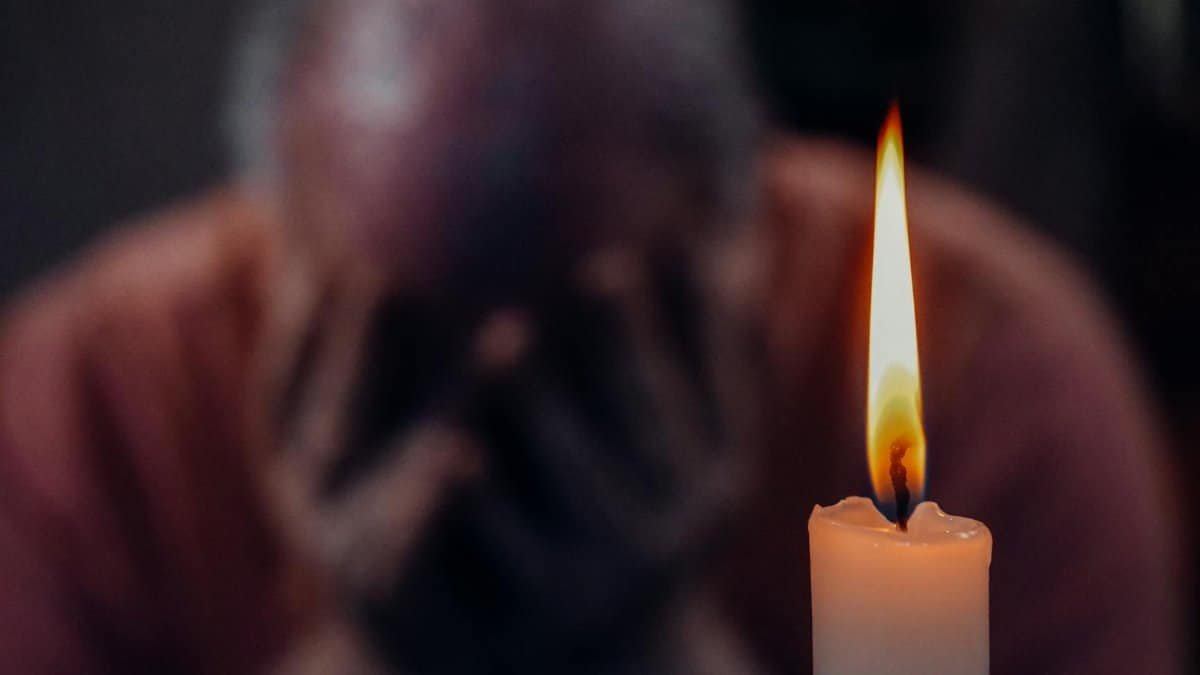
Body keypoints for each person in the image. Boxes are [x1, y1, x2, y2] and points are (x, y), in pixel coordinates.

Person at [0, 0, 1181, 672]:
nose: (491, 449)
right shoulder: (81, 416)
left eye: (593, 344)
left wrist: (660, 639)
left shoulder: (992, 369)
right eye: (408, 346)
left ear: (741, 233)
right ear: (273, 235)